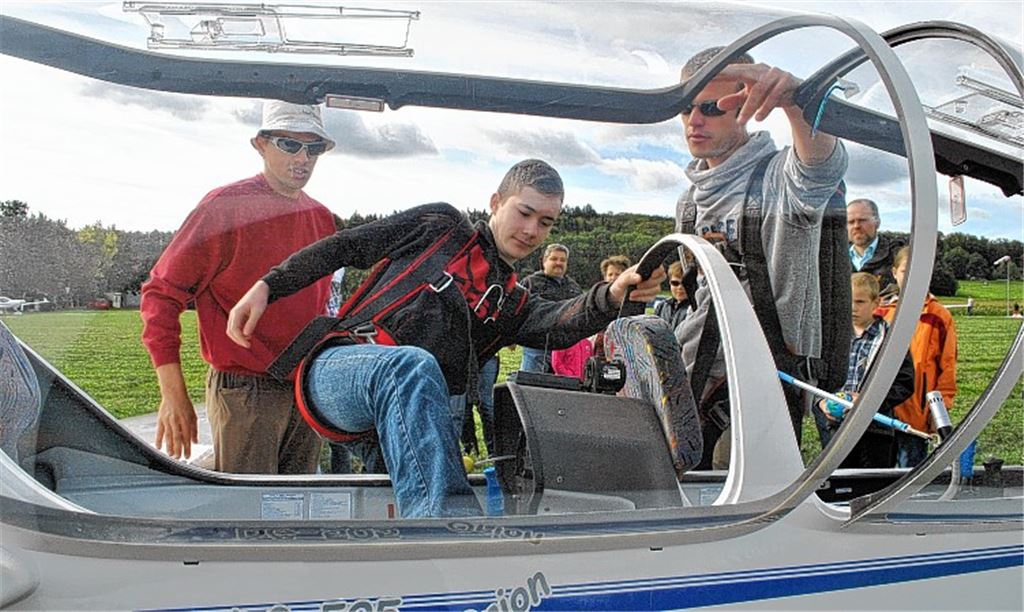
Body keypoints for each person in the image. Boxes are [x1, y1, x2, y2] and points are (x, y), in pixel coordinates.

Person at [226, 159, 663, 517]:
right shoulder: (440, 228)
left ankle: (428, 571)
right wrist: (270, 285)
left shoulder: (510, 302)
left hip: (393, 419)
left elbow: (561, 320)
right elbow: (348, 246)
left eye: (545, 222)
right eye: (524, 213)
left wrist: (612, 295)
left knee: (398, 497)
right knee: (412, 368)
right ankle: (453, 535)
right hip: (340, 370)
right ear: (496, 202)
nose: (531, 230)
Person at [673, 47, 848, 468]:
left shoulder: (780, 182)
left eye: (712, 108)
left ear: (746, 106)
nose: (695, 121)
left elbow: (821, 167)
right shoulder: (689, 203)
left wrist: (797, 104)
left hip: (761, 391)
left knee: (739, 491)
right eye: (685, 108)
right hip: (689, 382)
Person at [141, 100, 338, 474]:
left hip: (305, 387)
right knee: (249, 507)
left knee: (301, 503)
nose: (303, 158)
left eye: (313, 148)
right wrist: (173, 393)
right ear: (260, 144)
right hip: (246, 391)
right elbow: (161, 294)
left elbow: (321, 306)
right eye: (289, 144)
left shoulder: (321, 218)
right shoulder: (224, 208)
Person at [813, 273, 914, 468]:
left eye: (860, 302)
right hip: (835, 429)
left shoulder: (891, 339)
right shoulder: (831, 338)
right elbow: (816, 377)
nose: (853, 308)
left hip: (875, 431)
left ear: (876, 303)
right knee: (838, 479)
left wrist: (868, 400)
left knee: (871, 481)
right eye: (849, 301)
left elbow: (905, 383)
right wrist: (821, 402)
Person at [878, 246, 958, 467]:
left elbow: (948, 365)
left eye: (919, 270)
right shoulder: (880, 312)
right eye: (906, 270)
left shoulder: (939, 315)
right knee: (878, 473)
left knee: (910, 473)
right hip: (880, 409)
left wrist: (941, 407)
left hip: (917, 412)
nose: (912, 276)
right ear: (894, 272)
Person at [519, 244, 583, 372]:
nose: (558, 263)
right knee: (530, 381)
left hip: (565, 348)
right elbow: (517, 310)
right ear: (544, 261)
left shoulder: (574, 287)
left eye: (562, 260)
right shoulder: (530, 283)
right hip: (536, 345)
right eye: (554, 259)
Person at [847, 198, 900, 292]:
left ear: (877, 222)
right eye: (851, 222)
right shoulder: (835, 257)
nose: (856, 226)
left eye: (862, 220)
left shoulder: (896, 254)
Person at [654, 261, 691, 332]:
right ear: (669, 283)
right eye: (675, 283)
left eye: (685, 283)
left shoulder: (696, 310)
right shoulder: (662, 306)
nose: (680, 287)